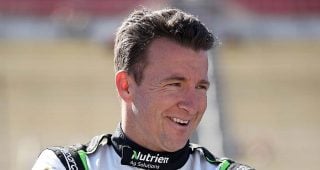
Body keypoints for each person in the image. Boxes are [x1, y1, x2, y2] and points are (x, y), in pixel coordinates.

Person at [32, 8, 254, 170]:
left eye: (200, 87)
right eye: (174, 85)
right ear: (126, 86)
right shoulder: (65, 166)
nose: (192, 105)